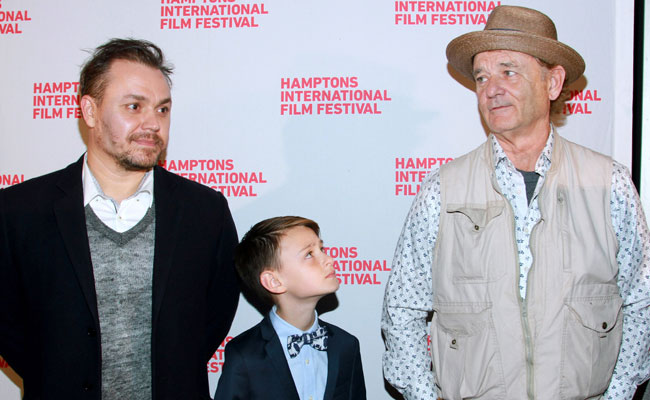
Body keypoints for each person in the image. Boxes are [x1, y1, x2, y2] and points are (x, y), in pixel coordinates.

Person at [381, 5, 650, 400]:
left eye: (508, 71)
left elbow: (642, 301)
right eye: (482, 76)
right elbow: (402, 308)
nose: (491, 89)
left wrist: (618, 396)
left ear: (553, 82)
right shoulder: (443, 189)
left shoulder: (609, 183)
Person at [0, 38, 240, 399]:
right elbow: (8, 324)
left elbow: (213, 318)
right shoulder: (19, 211)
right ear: (90, 111)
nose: (152, 124)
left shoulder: (205, 212)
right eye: (134, 106)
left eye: (162, 109)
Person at [214, 216, 366, 400]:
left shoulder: (346, 345)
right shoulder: (245, 355)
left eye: (322, 249)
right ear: (274, 281)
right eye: (309, 254)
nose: (329, 259)